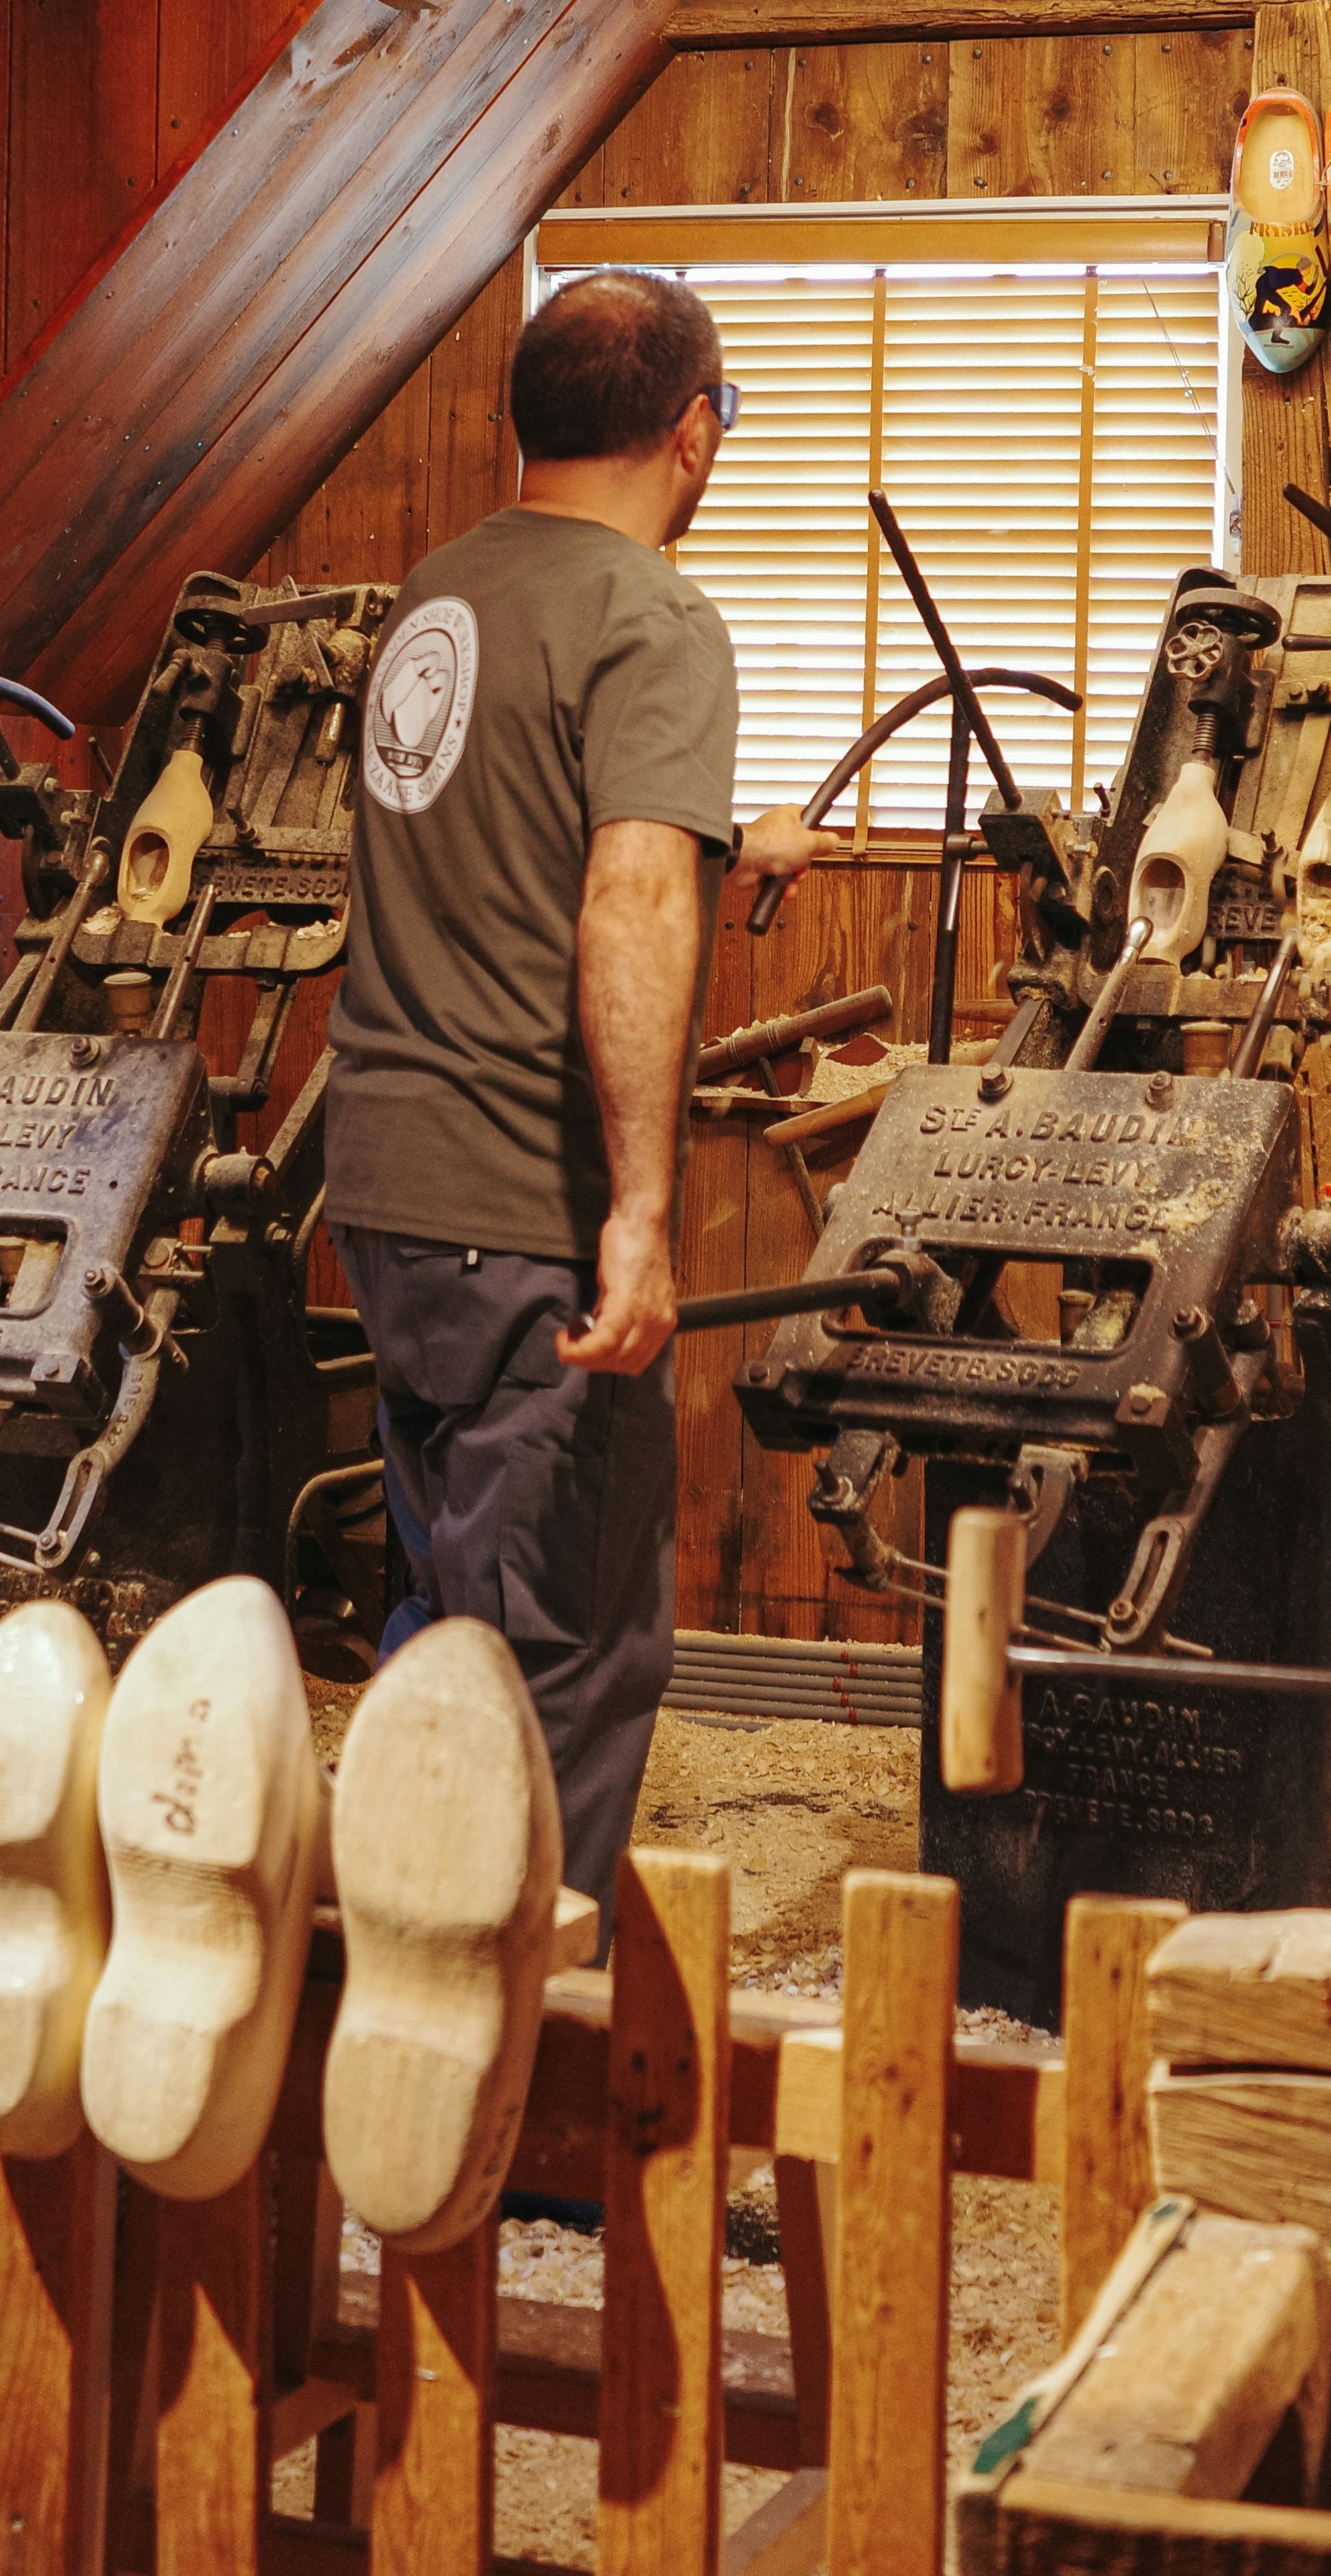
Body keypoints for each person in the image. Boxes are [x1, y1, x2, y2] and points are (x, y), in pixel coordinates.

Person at [325, 266, 818, 1933]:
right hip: (525, 1216)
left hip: (390, 1195)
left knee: (447, 1621)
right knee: (573, 1664)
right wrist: (638, 1213)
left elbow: (516, 834)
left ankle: (382, 2025)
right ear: (695, 433)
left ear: (514, 424)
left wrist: (722, 837)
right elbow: (620, 900)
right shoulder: (653, 612)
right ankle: (491, 2099)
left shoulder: (437, 599)